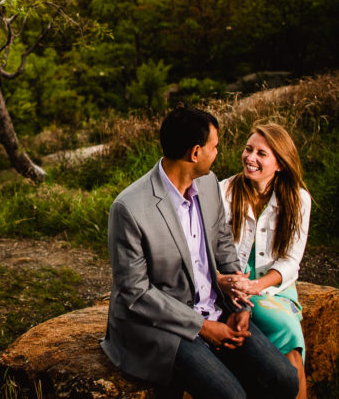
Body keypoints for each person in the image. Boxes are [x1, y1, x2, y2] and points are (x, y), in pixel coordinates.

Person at [101, 107, 298, 399]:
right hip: (163, 327)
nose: (218, 152)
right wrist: (203, 327)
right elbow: (136, 293)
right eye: (214, 147)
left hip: (216, 309)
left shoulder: (207, 184)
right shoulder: (129, 208)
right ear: (195, 153)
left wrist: (241, 305)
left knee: (284, 379)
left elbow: (222, 243)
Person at [220, 122, 312, 399]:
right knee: (285, 334)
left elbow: (291, 260)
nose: (250, 158)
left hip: (271, 283)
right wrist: (235, 283)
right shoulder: (224, 191)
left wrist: (258, 286)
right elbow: (214, 248)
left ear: (280, 164)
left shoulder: (298, 199)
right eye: (248, 149)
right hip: (230, 280)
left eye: (262, 154)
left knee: (287, 330)